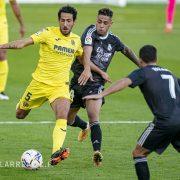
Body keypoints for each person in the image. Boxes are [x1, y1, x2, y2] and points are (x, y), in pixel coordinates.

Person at [0, 5, 91, 166]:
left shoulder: (76, 41)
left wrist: (89, 70)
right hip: (38, 84)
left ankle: (56, 152)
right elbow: (22, 43)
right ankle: (22, 103)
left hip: (59, 87)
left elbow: (83, 58)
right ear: (58, 20)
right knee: (20, 114)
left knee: (62, 115)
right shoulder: (47, 33)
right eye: (62, 20)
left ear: (74, 22)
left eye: (68, 21)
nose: (65, 24)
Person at [84, 45, 180, 180]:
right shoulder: (169, 73)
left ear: (140, 60)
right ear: (156, 58)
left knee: (138, 153)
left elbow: (124, 82)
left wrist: (101, 94)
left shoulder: (143, 72)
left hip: (164, 122)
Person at [67, 8, 140, 166]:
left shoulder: (113, 40)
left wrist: (141, 65)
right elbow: (84, 56)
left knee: (94, 116)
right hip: (79, 79)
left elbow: (126, 50)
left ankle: (96, 151)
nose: (101, 25)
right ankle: (83, 126)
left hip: (95, 83)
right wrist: (96, 70)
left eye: (105, 23)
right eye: (99, 21)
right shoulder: (90, 32)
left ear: (110, 24)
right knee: (67, 119)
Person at [0, 0, 25, 100]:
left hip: (1, 23)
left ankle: (1, 90)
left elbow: (13, 3)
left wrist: (21, 24)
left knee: (1, 53)